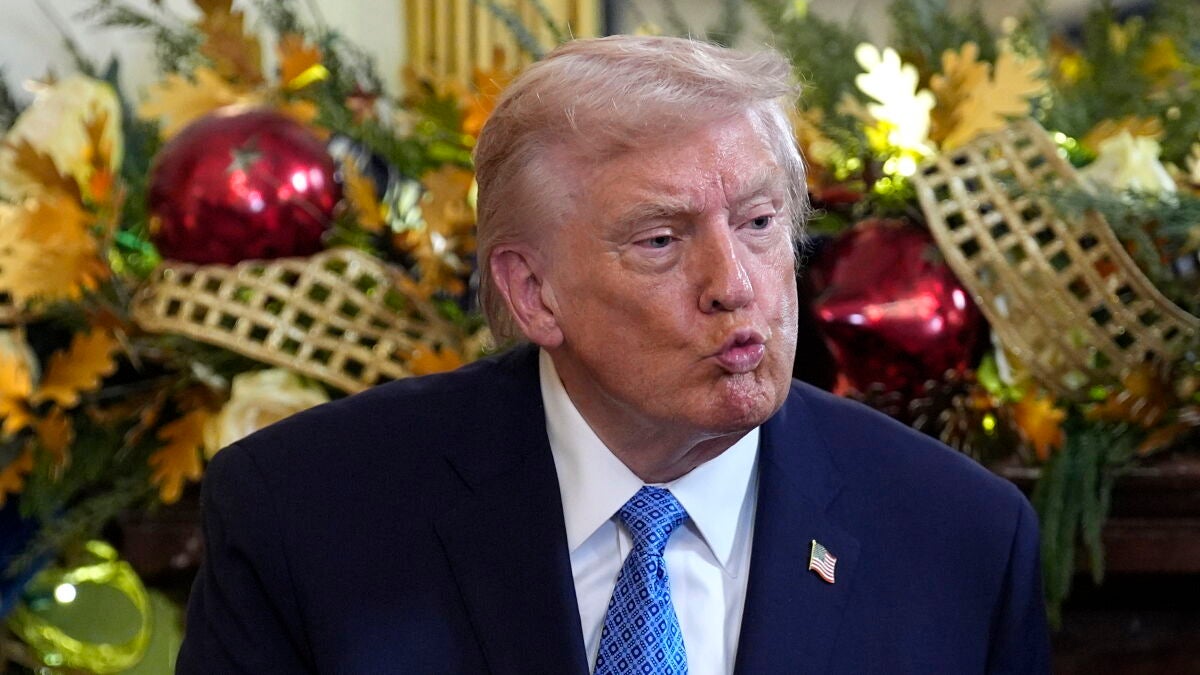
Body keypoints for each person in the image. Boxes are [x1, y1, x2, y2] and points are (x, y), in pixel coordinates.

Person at [177, 36, 1050, 674]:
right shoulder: (306, 514)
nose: (734, 284)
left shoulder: (960, 534)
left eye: (758, 222)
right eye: (661, 240)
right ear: (533, 292)